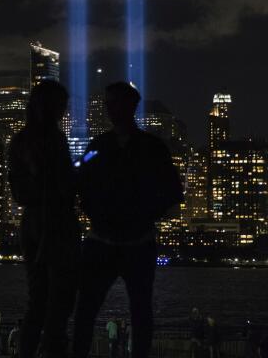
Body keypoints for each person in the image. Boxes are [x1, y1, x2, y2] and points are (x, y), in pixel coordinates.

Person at [73, 82, 184, 358]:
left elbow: (173, 191)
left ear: (130, 106)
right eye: (108, 103)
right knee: (94, 310)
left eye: (114, 103)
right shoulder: (107, 145)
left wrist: (143, 214)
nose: (110, 109)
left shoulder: (148, 147)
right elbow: (81, 184)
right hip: (115, 240)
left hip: (128, 241)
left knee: (129, 311)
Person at [8, 80, 80, 358]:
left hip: (32, 224)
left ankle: (31, 351)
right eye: (60, 105)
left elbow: (20, 190)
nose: (63, 111)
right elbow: (58, 184)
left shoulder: (19, 140)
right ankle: (52, 349)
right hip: (55, 221)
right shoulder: (51, 139)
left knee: (38, 300)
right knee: (61, 298)